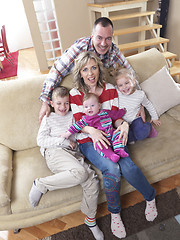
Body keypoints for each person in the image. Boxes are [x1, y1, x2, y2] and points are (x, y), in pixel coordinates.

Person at [70, 51, 158, 239]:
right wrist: (92, 131)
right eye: (85, 69)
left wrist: (124, 125)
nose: (90, 73)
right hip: (89, 141)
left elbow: (116, 117)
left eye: (93, 67)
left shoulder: (110, 88)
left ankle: (150, 197)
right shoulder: (75, 94)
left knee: (127, 164)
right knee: (112, 167)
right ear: (80, 73)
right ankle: (115, 213)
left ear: (99, 69)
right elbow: (79, 124)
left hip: (112, 136)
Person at [29, 86, 104, 240]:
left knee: (92, 180)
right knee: (80, 173)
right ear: (51, 103)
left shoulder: (72, 116)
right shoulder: (48, 118)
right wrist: (63, 141)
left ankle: (90, 219)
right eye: (59, 104)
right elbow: (41, 140)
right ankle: (41, 184)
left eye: (66, 103)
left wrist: (75, 142)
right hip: (54, 152)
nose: (63, 107)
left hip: (73, 154)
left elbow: (76, 134)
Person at [39, 17, 134, 123]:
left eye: (108, 38)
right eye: (99, 38)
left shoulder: (113, 50)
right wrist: (45, 101)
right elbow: (57, 70)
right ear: (92, 35)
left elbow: (130, 72)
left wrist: (138, 102)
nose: (103, 43)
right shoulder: (80, 48)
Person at [61, 92, 128, 163]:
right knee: (99, 146)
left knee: (119, 134)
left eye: (92, 105)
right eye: (86, 107)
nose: (89, 108)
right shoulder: (85, 119)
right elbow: (76, 126)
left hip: (111, 133)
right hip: (100, 138)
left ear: (99, 106)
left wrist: (122, 111)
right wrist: (67, 134)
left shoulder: (105, 113)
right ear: (83, 109)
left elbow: (115, 114)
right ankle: (111, 155)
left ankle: (119, 150)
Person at [115, 68, 161, 144]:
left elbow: (148, 105)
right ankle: (132, 136)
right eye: (120, 85)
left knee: (141, 134)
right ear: (117, 86)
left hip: (136, 119)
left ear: (133, 81)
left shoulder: (140, 95)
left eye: (127, 83)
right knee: (125, 138)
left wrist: (154, 117)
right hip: (123, 122)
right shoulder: (117, 91)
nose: (124, 87)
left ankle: (149, 127)